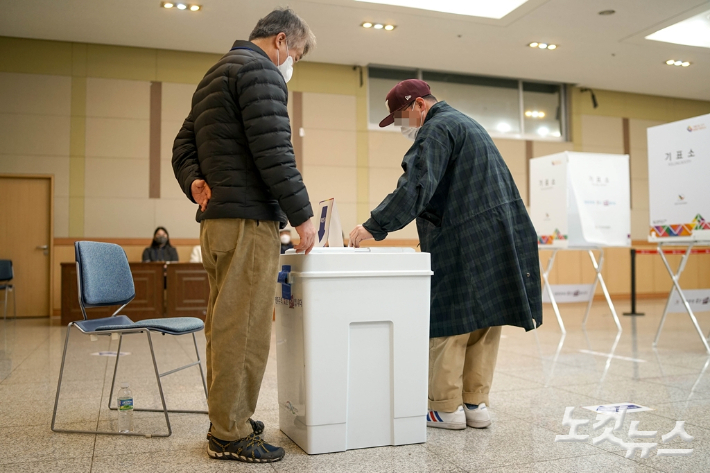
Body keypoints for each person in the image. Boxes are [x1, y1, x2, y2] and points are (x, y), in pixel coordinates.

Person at [349, 79, 542, 431]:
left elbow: (416, 185)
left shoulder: (437, 128)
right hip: (501, 232)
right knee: (485, 319)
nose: (403, 128)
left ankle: (444, 408)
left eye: (402, 117)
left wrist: (373, 225)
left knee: (450, 320)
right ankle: (476, 403)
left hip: (466, 234)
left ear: (420, 105)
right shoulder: (466, 124)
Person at [172, 7, 317, 463]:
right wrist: (304, 216)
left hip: (215, 224)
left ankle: (226, 417)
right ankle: (230, 434)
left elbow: (182, 143)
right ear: (279, 41)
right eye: (294, 53)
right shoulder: (261, 73)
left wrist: (194, 179)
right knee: (247, 327)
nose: (291, 63)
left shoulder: (214, 74)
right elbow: (274, 151)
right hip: (248, 221)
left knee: (223, 324)